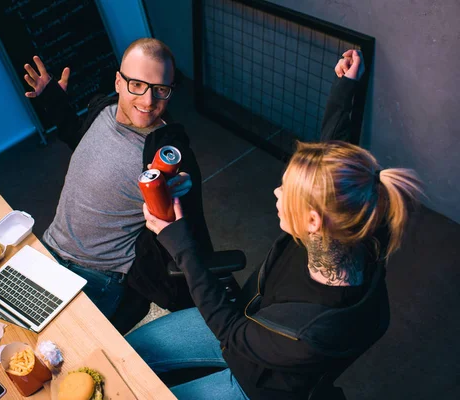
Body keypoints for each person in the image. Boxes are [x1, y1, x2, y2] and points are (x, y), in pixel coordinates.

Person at [126, 50, 423, 399]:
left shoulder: (310, 331)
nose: (277, 192)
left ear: (313, 220)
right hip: (245, 317)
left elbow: (232, 336)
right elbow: (332, 155)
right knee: (127, 351)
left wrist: (180, 245)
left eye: (288, 192)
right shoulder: (354, 220)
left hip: (253, 382)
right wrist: (345, 87)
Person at [22, 38, 214, 331]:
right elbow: (81, 139)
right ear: (118, 82)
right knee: (4, 322)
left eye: (161, 89)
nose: (149, 101)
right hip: (49, 246)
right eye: (137, 84)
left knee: (54, 346)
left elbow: (190, 230)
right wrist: (54, 101)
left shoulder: (167, 152)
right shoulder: (103, 108)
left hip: (99, 276)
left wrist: (177, 197)